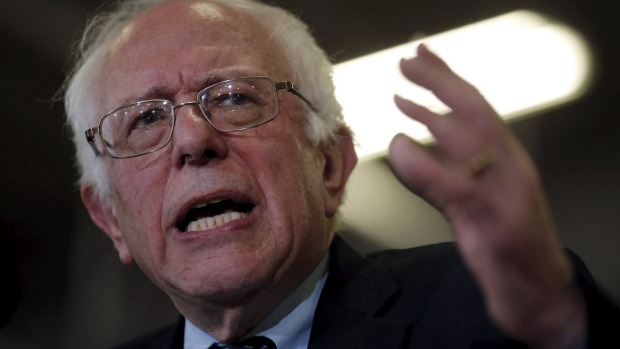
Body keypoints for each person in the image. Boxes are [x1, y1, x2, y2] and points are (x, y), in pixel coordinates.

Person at [61, 0, 618, 348]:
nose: (193, 140)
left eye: (233, 98)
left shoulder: (482, 314)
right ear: (110, 217)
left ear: (330, 164)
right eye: (146, 120)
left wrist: (557, 329)